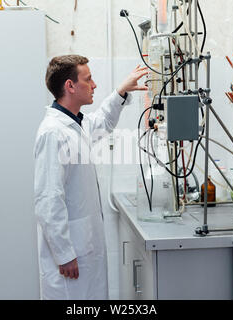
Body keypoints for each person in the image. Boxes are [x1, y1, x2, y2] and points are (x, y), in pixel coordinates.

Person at [34, 55, 148, 299]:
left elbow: (103, 121)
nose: (94, 84)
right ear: (70, 86)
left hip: (84, 247)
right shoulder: (54, 133)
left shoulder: (75, 125)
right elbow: (48, 199)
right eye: (88, 79)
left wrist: (121, 91)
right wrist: (63, 254)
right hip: (71, 255)